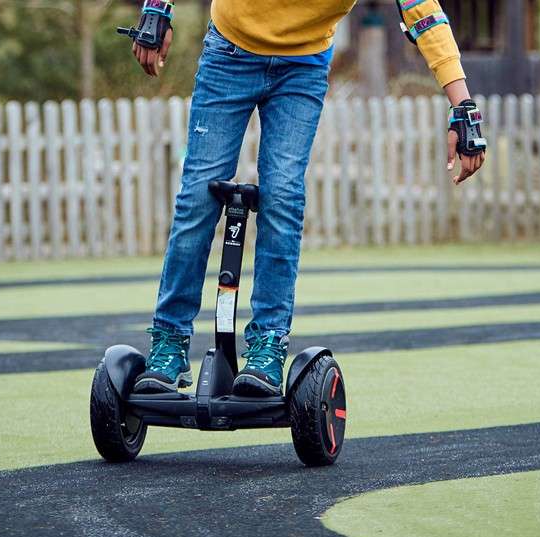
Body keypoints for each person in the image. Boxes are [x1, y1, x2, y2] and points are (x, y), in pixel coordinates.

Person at [127, 0, 487, 396]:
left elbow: (423, 12)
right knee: (198, 195)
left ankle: (267, 346)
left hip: (302, 67)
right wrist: (158, 8)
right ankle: (169, 343)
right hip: (229, 51)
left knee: (282, 195)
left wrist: (463, 107)